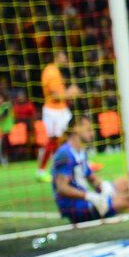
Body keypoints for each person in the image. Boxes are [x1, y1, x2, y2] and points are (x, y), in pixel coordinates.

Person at [36, 51, 81, 182]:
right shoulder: (51, 71)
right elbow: (55, 96)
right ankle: (41, 171)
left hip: (62, 110)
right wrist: (70, 93)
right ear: (57, 57)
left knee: (73, 133)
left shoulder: (56, 71)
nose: (65, 59)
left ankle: (80, 162)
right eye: (63, 56)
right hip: (53, 111)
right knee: (54, 141)